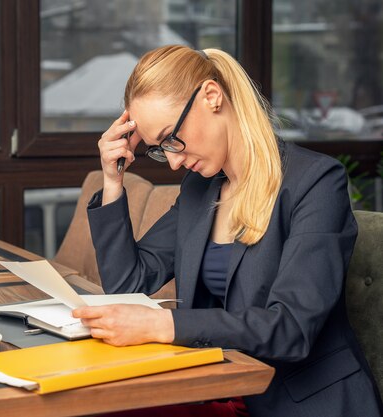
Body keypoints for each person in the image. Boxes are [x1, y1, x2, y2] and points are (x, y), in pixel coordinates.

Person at [72, 45, 382, 417]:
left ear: (212, 96)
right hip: (224, 390)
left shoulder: (314, 182)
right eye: (157, 149)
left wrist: (162, 324)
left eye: (172, 138)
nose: (172, 162)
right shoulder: (199, 189)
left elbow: (291, 329)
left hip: (302, 403)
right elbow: (127, 283)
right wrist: (113, 179)